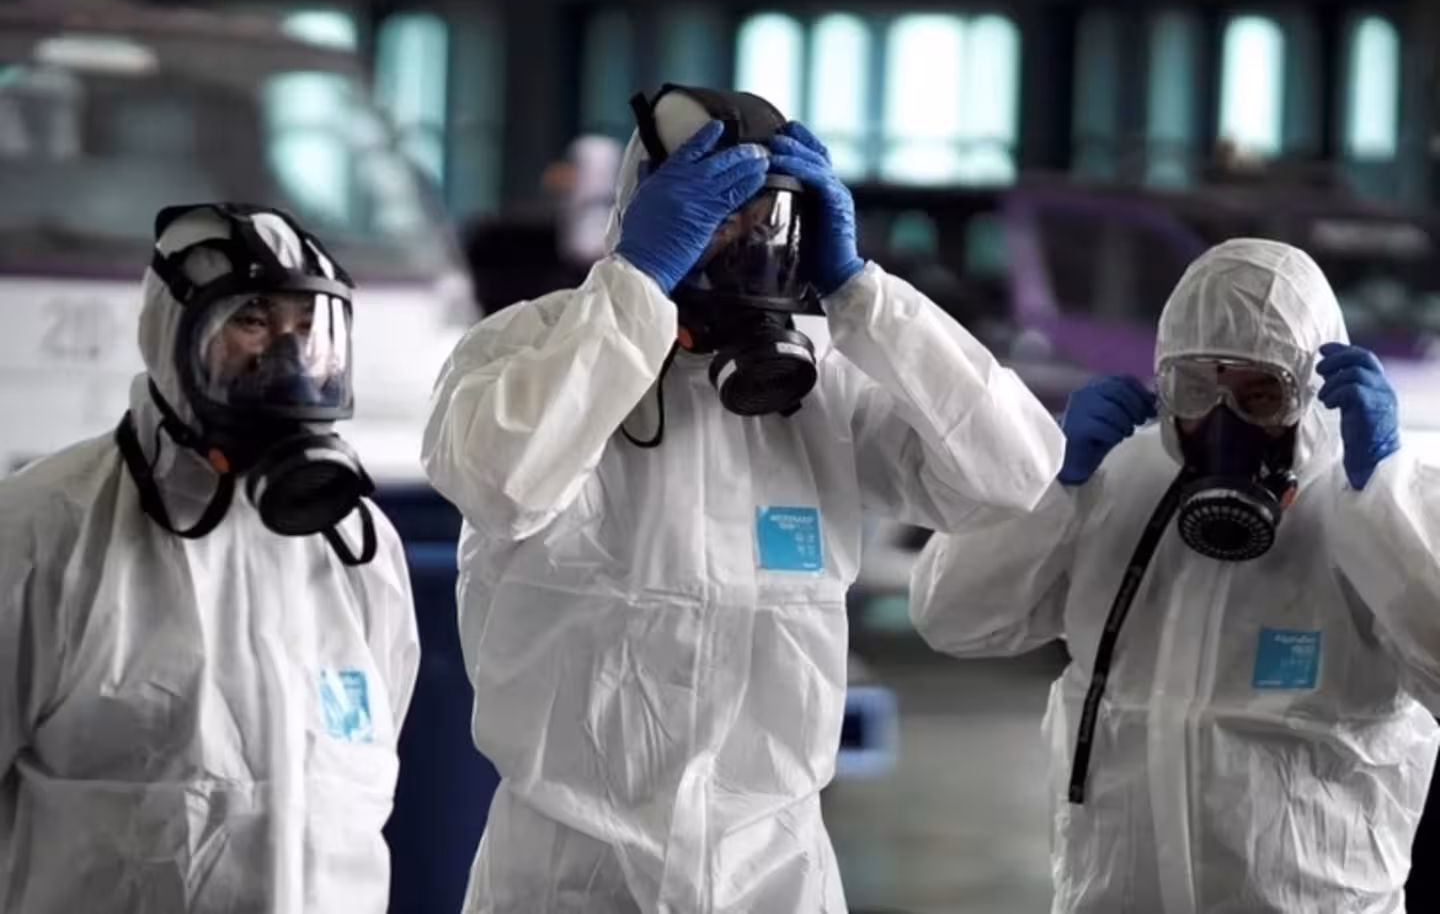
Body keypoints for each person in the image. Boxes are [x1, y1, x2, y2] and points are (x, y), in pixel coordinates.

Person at [422, 83, 1064, 913]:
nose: (746, 243)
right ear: (648, 207)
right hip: (567, 880)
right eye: (717, 214)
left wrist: (862, 293)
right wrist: (636, 286)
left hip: (772, 877)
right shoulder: (528, 345)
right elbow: (499, 484)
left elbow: (1015, 473)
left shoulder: (823, 382)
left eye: (768, 219)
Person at [910, 237, 1440, 913]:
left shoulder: (1375, 506)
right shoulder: (1112, 482)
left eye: (1260, 394)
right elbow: (949, 618)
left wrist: (1385, 500)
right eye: (1195, 388)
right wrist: (1050, 485)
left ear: (1309, 392)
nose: (1223, 422)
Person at [0, 203, 420, 913]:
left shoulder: (356, 549)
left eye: (309, 328)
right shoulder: (45, 530)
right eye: (252, 321)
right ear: (172, 335)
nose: (288, 360)